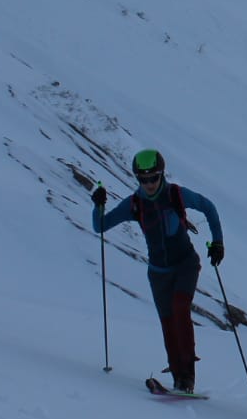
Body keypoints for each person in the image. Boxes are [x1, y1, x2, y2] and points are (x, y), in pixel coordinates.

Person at [92, 149, 223, 393]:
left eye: (154, 177)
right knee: (167, 323)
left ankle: (188, 378)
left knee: (180, 308)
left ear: (162, 174)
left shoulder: (176, 195)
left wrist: (218, 242)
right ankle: (178, 378)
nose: (149, 183)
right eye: (143, 179)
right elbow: (99, 225)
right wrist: (98, 205)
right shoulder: (134, 204)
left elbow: (208, 207)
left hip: (185, 263)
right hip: (158, 272)